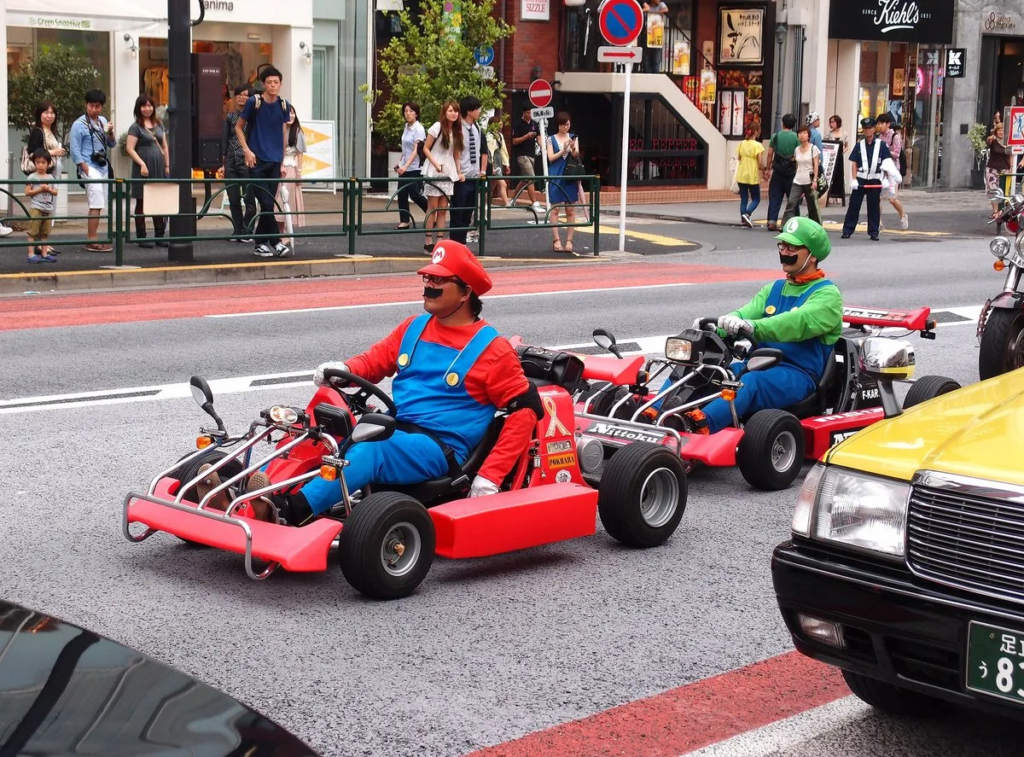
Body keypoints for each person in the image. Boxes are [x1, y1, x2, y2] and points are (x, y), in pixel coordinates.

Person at [212, 241, 543, 525]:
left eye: (439, 279)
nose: (428, 284)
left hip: (439, 447)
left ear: (466, 291)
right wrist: (341, 369)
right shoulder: (415, 327)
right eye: (427, 276)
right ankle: (243, 489)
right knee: (317, 427)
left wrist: (490, 477)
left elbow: (525, 410)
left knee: (372, 450)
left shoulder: (492, 349)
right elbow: (374, 362)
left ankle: (288, 512)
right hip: (398, 428)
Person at [676, 217, 842, 434]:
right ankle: (658, 412)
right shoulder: (774, 289)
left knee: (750, 382)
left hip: (798, 374)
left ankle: (700, 425)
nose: (784, 251)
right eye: (782, 245)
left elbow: (794, 323)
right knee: (710, 371)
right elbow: (744, 313)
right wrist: (717, 325)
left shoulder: (828, 295)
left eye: (792, 247)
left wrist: (752, 326)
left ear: (812, 255)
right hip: (757, 364)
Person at [235, 66, 292, 258]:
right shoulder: (255, 102)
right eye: (269, 82)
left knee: (268, 204)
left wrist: (283, 162)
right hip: (256, 161)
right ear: (263, 84)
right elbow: (238, 127)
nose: (273, 85)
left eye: (276, 82)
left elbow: (283, 134)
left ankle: (260, 243)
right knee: (266, 202)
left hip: (275, 161)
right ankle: (276, 242)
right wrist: (247, 150)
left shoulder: (284, 105)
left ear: (280, 84)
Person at [69, 89, 117, 252]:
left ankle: (94, 236)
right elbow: (75, 151)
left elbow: (111, 144)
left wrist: (110, 132)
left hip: (102, 166)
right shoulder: (78, 124)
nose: (94, 109)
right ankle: (91, 239)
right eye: (91, 105)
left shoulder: (103, 121)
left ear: (101, 107)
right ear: (86, 105)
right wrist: (85, 168)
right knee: (96, 203)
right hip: (89, 167)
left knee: (99, 204)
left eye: (97, 106)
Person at [125, 94, 171, 248]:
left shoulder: (159, 124)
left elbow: (164, 146)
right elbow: (130, 148)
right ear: (139, 108)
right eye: (143, 106)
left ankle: (159, 235)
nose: (147, 109)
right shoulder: (135, 127)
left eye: (150, 105)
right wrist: (142, 164)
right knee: (142, 201)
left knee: (158, 200)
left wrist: (167, 165)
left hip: (158, 167)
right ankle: (142, 237)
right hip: (142, 168)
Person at [422, 100, 463, 254]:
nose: (453, 114)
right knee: (432, 207)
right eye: (451, 111)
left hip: (448, 169)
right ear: (445, 112)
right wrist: (435, 164)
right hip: (435, 168)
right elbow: (426, 148)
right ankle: (428, 242)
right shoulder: (437, 127)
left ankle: (439, 242)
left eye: (456, 111)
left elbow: (456, 154)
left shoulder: (458, 130)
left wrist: (459, 172)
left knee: (443, 209)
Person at [842, 117, 891, 241]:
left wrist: (885, 178)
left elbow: (887, 162)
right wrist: (854, 179)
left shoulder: (882, 145)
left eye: (870, 128)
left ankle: (874, 232)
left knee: (874, 206)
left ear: (874, 129)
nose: (867, 131)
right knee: (854, 205)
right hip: (861, 179)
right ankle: (847, 230)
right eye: (865, 128)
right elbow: (854, 162)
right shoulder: (859, 145)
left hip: (875, 180)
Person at [450, 96, 486, 245]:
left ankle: (462, 242)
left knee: (468, 212)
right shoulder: (458, 128)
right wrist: (458, 171)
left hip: (473, 176)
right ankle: (455, 243)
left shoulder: (477, 128)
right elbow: (455, 152)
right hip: (461, 177)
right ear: (470, 111)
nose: (479, 111)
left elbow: (482, 151)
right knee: (457, 211)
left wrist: (482, 171)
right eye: (477, 109)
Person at [222, 84, 256, 242]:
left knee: (249, 198)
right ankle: (238, 230)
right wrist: (223, 163)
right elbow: (224, 140)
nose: (242, 97)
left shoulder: (254, 117)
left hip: (248, 161)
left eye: (246, 95)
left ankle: (248, 230)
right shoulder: (230, 117)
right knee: (233, 198)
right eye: (239, 94)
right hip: (230, 160)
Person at [546, 112, 581, 254]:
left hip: (569, 176)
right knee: (555, 209)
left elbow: (576, 155)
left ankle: (569, 241)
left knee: (570, 209)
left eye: (568, 124)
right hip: (555, 174)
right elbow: (550, 157)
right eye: (563, 124)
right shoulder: (550, 139)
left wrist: (572, 148)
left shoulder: (574, 137)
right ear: (558, 125)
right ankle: (556, 240)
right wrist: (563, 150)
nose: (566, 127)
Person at [395, 102, 428, 229]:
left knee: (415, 194)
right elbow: (405, 148)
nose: (408, 113)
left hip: (415, 167)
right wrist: (399, 162)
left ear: (416, 113)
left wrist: (406, 166)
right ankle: (405, 221)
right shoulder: (406, 127)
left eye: (411, 111)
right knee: (401, 193)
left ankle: (431, 215)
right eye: (406, 111)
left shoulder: (418, 129)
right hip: (405, 166)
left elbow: (416, 150)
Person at [276, 106, 306, 239]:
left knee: (287, 200)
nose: (291, 116)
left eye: (293, 113)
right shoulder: (278, 130)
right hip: (278, 167)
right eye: (289, 113)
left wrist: (299, 172)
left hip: (290, 168)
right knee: (277, 201)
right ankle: (279, 233)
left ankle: (287, 236)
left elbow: (300, 154)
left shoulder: (298, 131)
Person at [764, 114, 798, 231]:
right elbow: (798, 155)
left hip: (778, 171)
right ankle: (793, 222)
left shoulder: (776, 136)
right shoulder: (796, 137)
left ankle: (772, 221)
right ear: (793, 125)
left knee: (775, 197)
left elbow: (769, 154)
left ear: (782, 123)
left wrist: (768, 169)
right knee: (792, 198)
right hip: (791, 172)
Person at [875, 113, 909, 229]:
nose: (879, 126)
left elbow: (897, 154)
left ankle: (903, 216)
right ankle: (879, 223)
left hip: (893, 171)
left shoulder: (895, 136)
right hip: (882, 171)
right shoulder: (879, 137)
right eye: (878, 124)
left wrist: (886, 152)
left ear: (888, 124)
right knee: (877, 198)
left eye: (881, 123)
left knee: (892, 199)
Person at [782, 125, 821, 225]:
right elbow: (797, 165)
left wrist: (815, 180)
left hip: (809, 181)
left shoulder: (813, 148)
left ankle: (814, 225)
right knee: (791, 202)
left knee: (811, 205)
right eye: (800, 133)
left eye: (804, 133)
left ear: (808, 136)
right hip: (798, 180)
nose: (802, 135)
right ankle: (785, 224)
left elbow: (816, 165)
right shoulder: (797, 150)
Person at [24, 149, 58, 263]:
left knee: (45, 233)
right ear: (35, 163)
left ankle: (44, 254)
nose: (40, 165)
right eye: (38, 162)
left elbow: (55, 192)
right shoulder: (32, 177)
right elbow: (27, 192)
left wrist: (48, 189)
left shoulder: (50, 178)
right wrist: (40, 189)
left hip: (48, 208)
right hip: (36, 207)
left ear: (48, 164)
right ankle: (31, 254)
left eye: (43, 162)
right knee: (32, 232)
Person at [511, 105, 544, 211]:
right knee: (531, 178)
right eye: (528, 113)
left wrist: (543, 147)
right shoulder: (517, 124)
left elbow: (538, 137)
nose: (530, 115)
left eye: (531, 113)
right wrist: (526, 136)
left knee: (525, 180)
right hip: (522, 155)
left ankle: (512, 200)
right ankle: (534, 203)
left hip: (532, 154)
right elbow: (514, 141)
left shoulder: (534, 124)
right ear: (523, 113)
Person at [736, 126, 765, 227]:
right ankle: (747, 214)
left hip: (741, 173)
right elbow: (760, 162)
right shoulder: (758, 145)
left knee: (744, 198)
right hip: (752, 174)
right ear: (756, 132)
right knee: (756, 198)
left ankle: (743, 220)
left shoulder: (742, 143)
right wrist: (764, 172)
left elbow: (739, 157)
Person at [987, 122, 1013, 219]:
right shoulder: (993, 140)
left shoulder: (1008, 142)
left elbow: (1011, 155)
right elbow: (988, 141)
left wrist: (1011, 166)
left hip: (1004, 168)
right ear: (996, 131)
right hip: (992, 168)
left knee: (1004, 190)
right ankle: (995, 211)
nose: (1001, 132)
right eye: (999, 130)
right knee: (993, 189)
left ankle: (1002, 211)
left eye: (1002, 130)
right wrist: (990, 138)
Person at [485, 112, 511, 207]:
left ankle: (485, 203)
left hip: (498, 160)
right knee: (503, 184)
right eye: (499, 122)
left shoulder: (500, 135)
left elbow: (503, 150)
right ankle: (507, 204)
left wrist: (506, 164)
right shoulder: (489, 136)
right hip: (493, 161)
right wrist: (491, 165)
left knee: (492, 185)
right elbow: (489, 151)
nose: (501, 123)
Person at [826, 115, 848, 206]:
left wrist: (843, 152)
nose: (831, 124)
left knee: (840, 175)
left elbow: (847, 146)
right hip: (831, 156)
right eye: (830, 122)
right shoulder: (828, 134)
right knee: (830, 176)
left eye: (833, 122)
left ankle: (839, 196)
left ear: (838, 122)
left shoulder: (844, 134)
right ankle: (830, 196)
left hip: (840, 157)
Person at [642, 1, 669, 73]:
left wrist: (656, 14)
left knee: (656, 60)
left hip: (657, 37)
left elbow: (666, 9)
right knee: (647, 59)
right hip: (648, 35)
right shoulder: (647, 6)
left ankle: (655, 76)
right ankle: (648, 76)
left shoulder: (661, 4)